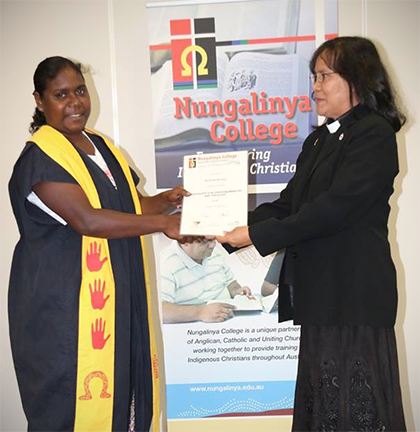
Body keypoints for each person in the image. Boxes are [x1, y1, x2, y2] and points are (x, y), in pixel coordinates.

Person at [217, 36, 407, 431]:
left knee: (358, 408)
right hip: (320, 293)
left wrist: (255, 236)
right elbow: (290, 204)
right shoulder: (319, 138)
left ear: (357, 77)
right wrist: (225, 224)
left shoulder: (373, 133)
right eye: (313, 77)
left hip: (354, 293)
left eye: (324, 76)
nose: (315, 86)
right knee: (324, 405)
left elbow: (333, 209)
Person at [8, 56, 191, 432]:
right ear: (39, 101)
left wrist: (165, 201)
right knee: (70, 406)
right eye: (60, 94)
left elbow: (127, 205)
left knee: (126, 397)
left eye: (79, 90)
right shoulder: (42, 158)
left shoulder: (101, 146)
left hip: (119, 303)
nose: (75, 102)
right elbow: (86, 219)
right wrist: (163, 224)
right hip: (67, 311)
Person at [160, 238, 251, 323]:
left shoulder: (213, 253)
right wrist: (201, 312)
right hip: (195, 333)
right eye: (204, 241)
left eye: (213, 239)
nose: (213, 245)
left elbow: (230, 283)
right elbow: (159, 311)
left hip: (228, 321)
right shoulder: (165, 264)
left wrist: (237, 291)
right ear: (185, 242)